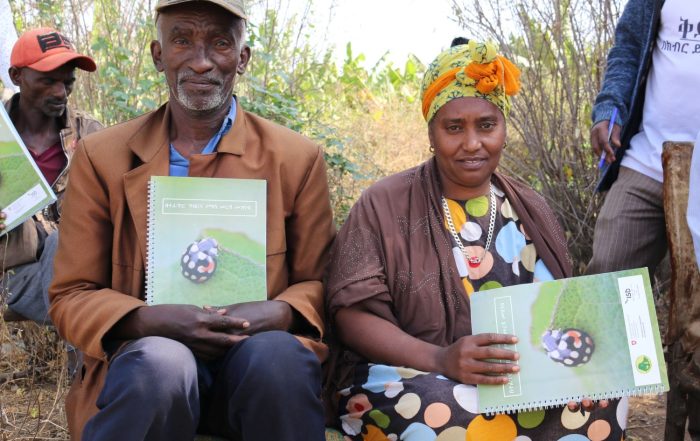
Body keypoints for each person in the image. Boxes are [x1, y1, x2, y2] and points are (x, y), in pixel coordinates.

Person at [48, 0, 335, 440]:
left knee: (277, 359)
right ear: (158, 55)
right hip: (147, 368)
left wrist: (275, 313)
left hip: (253, 360)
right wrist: (148, 320)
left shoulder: (297, 159)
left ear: (242, 58)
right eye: (182, 40)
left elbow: (318, 283)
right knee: (162, 363)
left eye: (220, 43)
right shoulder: (102, 157)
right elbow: (71, 294)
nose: (201, 62)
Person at [325, 40, 625, 439]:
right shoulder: (383, 204)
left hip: (516, 380)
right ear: (431, 131)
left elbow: (556, 310)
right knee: (444, 412)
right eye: (453, 128)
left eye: (486, 125)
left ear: (502, 127)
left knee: (605, 399)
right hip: (412, 375)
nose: (471, 144)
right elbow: (352, 316)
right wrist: (441, 358)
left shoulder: (529, 207)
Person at [587, 0, 700, 280]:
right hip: (649, 159)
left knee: (694, 306)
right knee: (608, 274)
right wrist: (609, 109)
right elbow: (628, 49)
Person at [0, 27, 102, 324]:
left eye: (67, 82)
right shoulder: (2, 137)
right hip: (13, 277)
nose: (60, 93)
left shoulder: (90, 134)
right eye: (47, 81)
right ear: (17, 76)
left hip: (78, 267)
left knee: (64, 245)